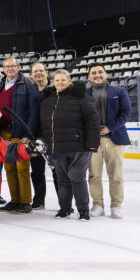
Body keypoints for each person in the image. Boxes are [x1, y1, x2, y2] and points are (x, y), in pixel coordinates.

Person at [38, 70, 100, 221]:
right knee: (63, 180)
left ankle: (83, 210)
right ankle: (64, 209)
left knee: (76, 177)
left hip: (79, 147)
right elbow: (45, 126)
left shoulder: (81, 97)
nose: (60, 83)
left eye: (63, 80)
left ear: (69, 81)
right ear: (53, 82)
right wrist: (45, 145)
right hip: (57, 148)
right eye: (57, 80)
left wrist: (92, 143)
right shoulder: (47, 101)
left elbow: (92, 120)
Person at [0, 56, 39, 215]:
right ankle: (15, 200)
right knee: (9, 167)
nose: (10, 69)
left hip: (20, 132)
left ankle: (25, 202)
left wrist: (29, 133)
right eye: (7, 67)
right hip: (4, 132)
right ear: (3, 69)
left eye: (13, 66)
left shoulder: (28, 84)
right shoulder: (0, 85)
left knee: (22, 167)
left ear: (19, 67)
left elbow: (33, 111)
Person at [87, 64, 131, 219]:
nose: (97, 75)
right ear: (89, 76)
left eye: (100, 72)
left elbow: (126, 113)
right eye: (93, 73)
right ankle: (97, 204)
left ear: (105, 74)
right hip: (93, 139)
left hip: (114, 138)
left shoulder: (118, 91)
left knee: (116, 175)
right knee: (94, 175)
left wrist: (109, 128)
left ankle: (116, 205)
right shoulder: (84, 94)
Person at [29, 61, 53, 209]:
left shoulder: (55, 88)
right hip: (34, 135)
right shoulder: (30, 90)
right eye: (35, 71)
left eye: (41, 71)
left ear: (46, 72)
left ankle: (65, 203)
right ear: (31, 75)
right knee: (37, 170)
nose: (38, 73)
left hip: (52, 135)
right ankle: (39, 201)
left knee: (58, 171)